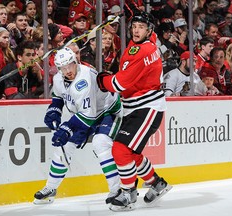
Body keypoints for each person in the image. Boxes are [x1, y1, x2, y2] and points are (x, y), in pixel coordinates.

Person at [96, 12, 172, 211]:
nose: (136, 30)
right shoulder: (150, 41)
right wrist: (122, 16)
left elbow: (119, 83)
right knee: (132, 152)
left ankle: (128, 192)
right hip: (137, 106)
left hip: (147, 107)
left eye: (141, 27)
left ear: (149, 30)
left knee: (120, 149)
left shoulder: (141, 51)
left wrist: (101, 79)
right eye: (134, 26)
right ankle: (157, 183)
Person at [33, 47, 122, 205]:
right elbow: (59, 96)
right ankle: (51, 188)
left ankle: (117, 190)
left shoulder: (84, 78)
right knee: (64, 146)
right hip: (87, 114)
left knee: (100, 143)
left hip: (108, 112)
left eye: (70, 65)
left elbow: (89, 115)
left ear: (76, 62)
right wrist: (54, 110)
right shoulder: (59, 78)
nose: (67, 70)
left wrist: (67, 128)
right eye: (63, 67)